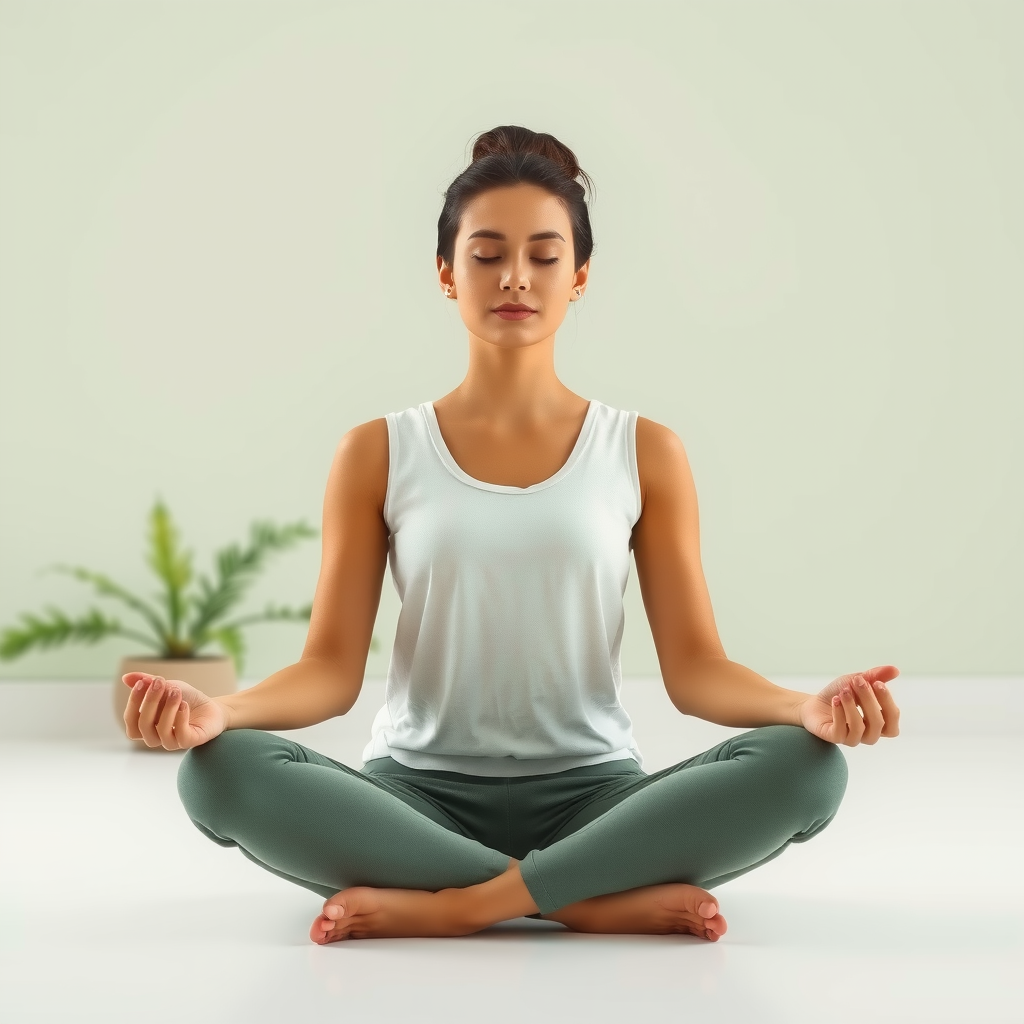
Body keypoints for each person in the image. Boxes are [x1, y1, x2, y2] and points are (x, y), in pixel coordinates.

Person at [121, 125, 901, 946]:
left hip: (597, 800)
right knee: (219, 775)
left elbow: (698, 671)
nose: (516, 278)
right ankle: (581, 898)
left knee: (806, 768)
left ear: (582, 277)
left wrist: (804, 708)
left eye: (545, 254)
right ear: (446, 274)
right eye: (487, 254)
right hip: (411, 801)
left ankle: (460, 904)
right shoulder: (379, 451)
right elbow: (328, 672)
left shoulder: (644, 451)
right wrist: (221, 713)